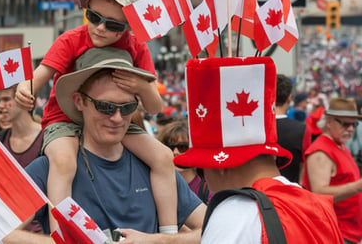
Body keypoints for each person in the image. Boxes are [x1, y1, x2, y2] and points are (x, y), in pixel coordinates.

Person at [15, 0, 177, 234]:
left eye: (113, 25)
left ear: (130, 25)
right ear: (86, 8)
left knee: (163, 156)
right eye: (94, 17)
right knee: (64, 162)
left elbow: (155, 107)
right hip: (63, 120)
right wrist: (24, 88)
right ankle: (63, 235)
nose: (100, 28)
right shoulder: (71, 39)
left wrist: (143, 87)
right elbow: (39, 75)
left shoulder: (137, 47)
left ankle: (169, 231)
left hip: (112, 119)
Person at [123, 57, 343, 243]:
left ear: (220, 167)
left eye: (201, 170)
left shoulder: (235, 212)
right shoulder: (318, 207)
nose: (205, 181)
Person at [3, 47, 205, 243]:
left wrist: (158, 241)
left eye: (127, 108)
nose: (117, 118)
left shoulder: (154, 166)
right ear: (79, 102)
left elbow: (212, 227)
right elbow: (0, 230)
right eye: (105, 107)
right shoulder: (48, 169)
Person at [302, 97, 362, 244]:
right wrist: (358, 186)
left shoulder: (339, 145)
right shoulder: (321, 152)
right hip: (335, 233)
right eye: (346, 124)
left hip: (347, 233)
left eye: (354, 124)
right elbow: (319, 193)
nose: (351, 129)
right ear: (329, 122)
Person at [0, 85, 44, 233]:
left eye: (6, 100)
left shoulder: (48, 138)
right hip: (7, 231)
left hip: (41, 234)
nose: (0, 106)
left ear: (24, 100)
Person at [156, 118, 208, 200]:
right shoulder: (156, 185)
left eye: (183, 147)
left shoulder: (208, 189)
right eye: (170, 147)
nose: (175, 152)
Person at [275, 74, 312, 183]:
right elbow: (303, 168)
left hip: (258, 193)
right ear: (289, 98)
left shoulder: (258, 127)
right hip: (290, 191)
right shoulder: (302, 129)